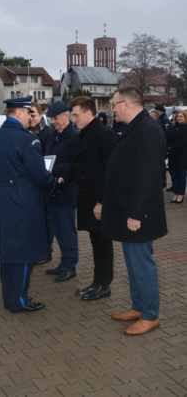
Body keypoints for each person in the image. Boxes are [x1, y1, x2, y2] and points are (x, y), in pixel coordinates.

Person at [101, 85, 167, 335]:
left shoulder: (147, 129)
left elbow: (147, 176)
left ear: (126, 104)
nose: (113, 111)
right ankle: (139, 306)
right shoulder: (136, 126)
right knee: (132, 263)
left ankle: (150, 315)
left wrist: (136, 214)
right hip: (127, 210)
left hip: (139, 213)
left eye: (114, 105)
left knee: (142, 264)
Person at [0, 96, 60, 313]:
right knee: (23, 253)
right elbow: (40, 175)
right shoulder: (28, 139)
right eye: (29, 113)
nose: (31, 118)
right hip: (23, 202)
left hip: (0, 201)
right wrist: (55, 187)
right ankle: (20, 301)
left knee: (7, 251)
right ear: (19, 112)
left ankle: (9, 298)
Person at [59, 96, 116, 300]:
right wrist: (63, 179)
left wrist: (102, 202)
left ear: (89, 113)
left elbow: (110, 172)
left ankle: (104, 285)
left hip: (99, 200)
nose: (74, 119)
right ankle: (97, 282)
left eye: (76, 115)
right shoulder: (82, 135)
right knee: (95, 241)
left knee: (103, 243)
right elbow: (76, 162)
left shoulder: (105, 135)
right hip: (87, 198)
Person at [44, 101, 79, 282]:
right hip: (53, 190)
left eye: (56, 118)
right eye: (51, 118)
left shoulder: (74, 136)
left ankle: (71, 266)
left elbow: (76, 164)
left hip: (66, 190)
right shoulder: (53, 135)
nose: (53, 121)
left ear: (66, 116)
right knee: (58, 230)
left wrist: (52, 169)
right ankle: (64, 262)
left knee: (67, 231)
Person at [28, 102, 54, 265]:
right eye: (28, 115)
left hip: (44, 183)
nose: (31, 118)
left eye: (34, 115)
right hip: (30, 185)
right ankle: (36, 250)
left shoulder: (48, 133)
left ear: (40, 115)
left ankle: (46, 251)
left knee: (47, 219)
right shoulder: (26, 134)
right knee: (34, 219)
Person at [167, 110, 187, 204]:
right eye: (178, 116)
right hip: (173, 155)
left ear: (185, 117)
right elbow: (169, 138)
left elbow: (184, 141)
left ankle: (181, 195)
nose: (179, 118)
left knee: (181, 177)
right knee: (174, 176)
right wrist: (168, 147)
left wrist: (172, 148)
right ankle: (175, 194)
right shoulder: (173, 126)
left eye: (181, 116)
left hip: (182, 155)